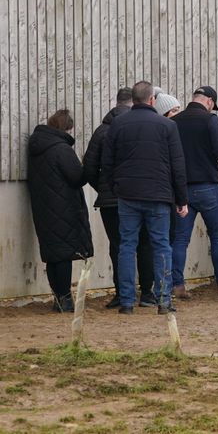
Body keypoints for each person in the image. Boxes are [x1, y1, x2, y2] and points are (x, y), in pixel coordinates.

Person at [102, 80, 188, 315]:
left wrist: (116, 187)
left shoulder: (118, 124)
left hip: (127, 195)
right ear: (152, 100)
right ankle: (162, 300)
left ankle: (127, 302)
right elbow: (177, 166)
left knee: (127, 246)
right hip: (159, 195)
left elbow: (107, 163)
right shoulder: (167, 126)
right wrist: (181, 199)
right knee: (161, 246)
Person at [83, 88, 157, 309]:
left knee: (119, 246)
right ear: (135, 103)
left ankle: (122, 293)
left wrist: (106, 188)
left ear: (116, 103)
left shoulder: (101, 131)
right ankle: (147, 293)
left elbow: (88, 169)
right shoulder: (144, 127)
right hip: (141, 194)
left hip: (111, 201)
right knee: (145, 244)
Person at [171, 86, 218, 300]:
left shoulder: (175, 121)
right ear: (210, 102)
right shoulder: (210, 120)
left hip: (182, 189)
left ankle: (177, 285)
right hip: (208, 186)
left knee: (180, 239)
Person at [27, 109, 94, 313]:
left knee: (53, 254)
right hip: (63, 207)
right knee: (64, 254)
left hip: (43, 206)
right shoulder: (61, 149)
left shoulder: (36, 147)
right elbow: (76, 177)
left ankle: (58, 298)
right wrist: (87, 165)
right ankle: (65, 299)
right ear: (65, 127)